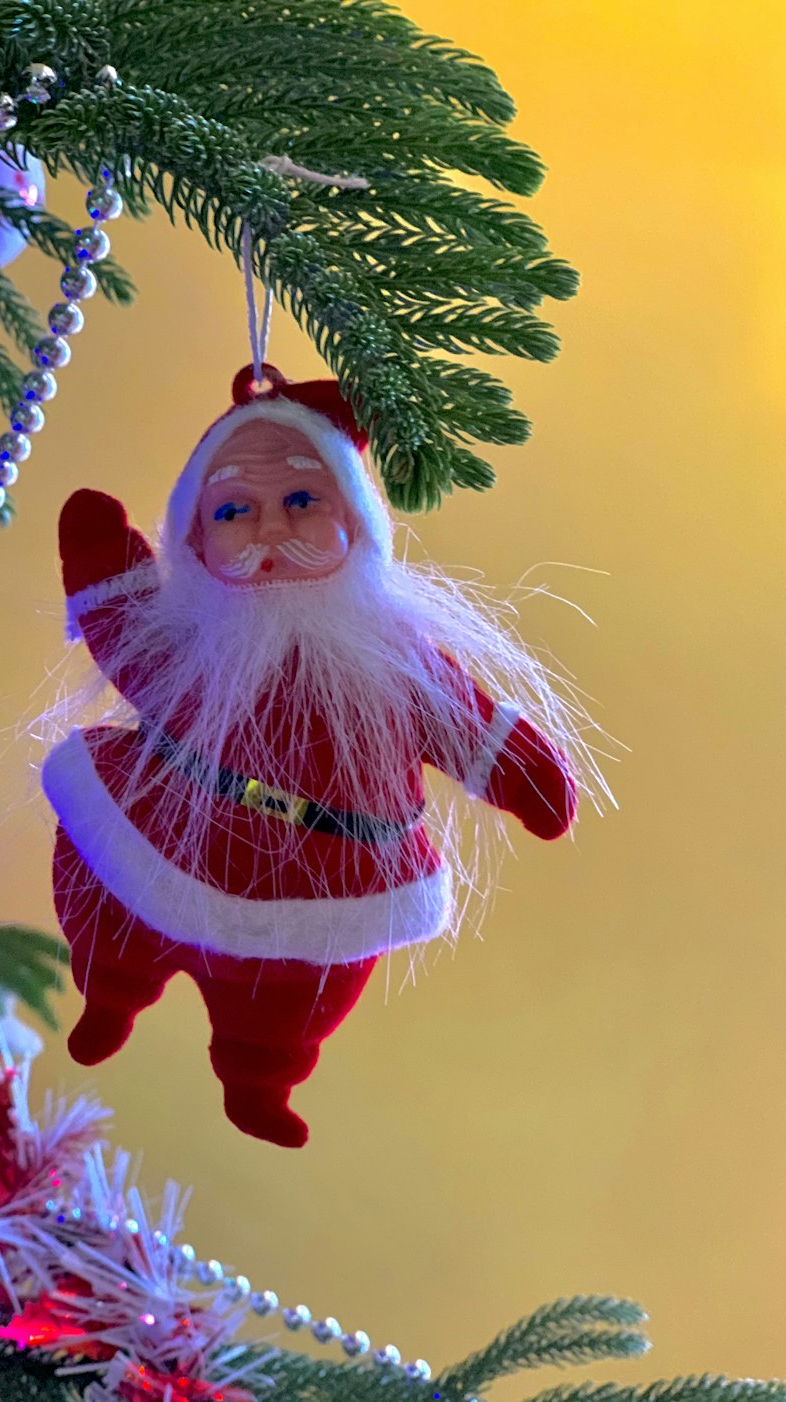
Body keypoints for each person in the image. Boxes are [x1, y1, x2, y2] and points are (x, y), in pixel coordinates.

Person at [43, 364, 591, 1147]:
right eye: (235, 509)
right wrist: (103, 561)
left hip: (330, 889)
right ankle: (111, 993)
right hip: (159, 840)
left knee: (290, 1010)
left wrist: (529, 778)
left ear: (358, 523)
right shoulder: (193, 643)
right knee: (110, 913)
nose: (270, 530)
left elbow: (464, 721)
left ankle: (257, 1080)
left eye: (302, 501)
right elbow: (128, 637)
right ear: (194, 541)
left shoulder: (392, 657)